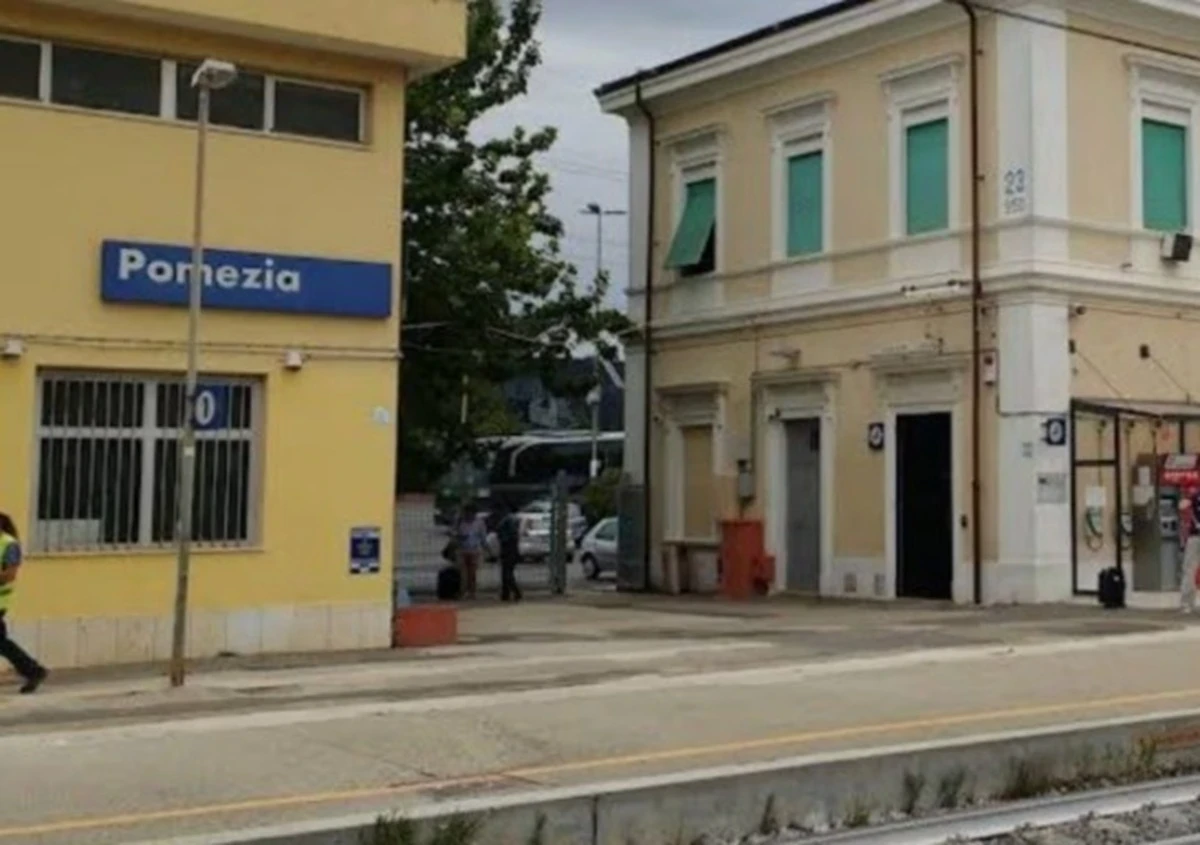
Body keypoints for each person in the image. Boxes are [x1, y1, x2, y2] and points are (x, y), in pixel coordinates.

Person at [0, 513, 47, 693]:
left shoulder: (9, 545)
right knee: (1, 642)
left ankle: (33, 670)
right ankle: (33, 670)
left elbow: (10, 574)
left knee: (1, 642)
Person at [456, 504, 486, 600]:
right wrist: (459, 537)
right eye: (466, 513)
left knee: (472, 573)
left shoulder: (479, 523)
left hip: (474, 549)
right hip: (463, 549)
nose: (468, 515)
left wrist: (485, 547)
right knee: (463, 573)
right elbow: (455, 533)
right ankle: (463, 591)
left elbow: (482, 536)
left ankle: (472, 592)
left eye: (470, 513)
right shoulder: (460, 521)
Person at [495, 505, 523, 603]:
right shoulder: (511, 520)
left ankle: (515, 592)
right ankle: (505, 593)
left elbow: (506, 534)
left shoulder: (508, 520)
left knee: (507, 573)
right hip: (509, 548)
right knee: (505, 573)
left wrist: (503, 537)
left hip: (509, 548)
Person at [1180, 487, 1200, 614]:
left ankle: (1187, 603)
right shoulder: (1195, 496)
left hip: (1195, 536)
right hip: (1195, 536)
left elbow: (1183, 506)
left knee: (1190, 569)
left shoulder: (1195, 495)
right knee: (1190, 569)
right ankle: (1187, 602)